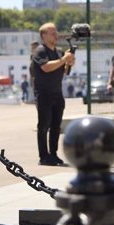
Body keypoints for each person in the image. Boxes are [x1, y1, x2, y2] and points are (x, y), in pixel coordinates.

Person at [32, 22, 75, 166]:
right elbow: (46, 67)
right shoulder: (40, 51)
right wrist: (64, 59)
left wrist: (69, 62)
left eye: (56, 32)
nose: (56, 35)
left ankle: (53, 154)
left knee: (56, 126)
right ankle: (43, 156)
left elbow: (65, 71)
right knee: (43, 125)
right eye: (52, 33)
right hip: (44, 94)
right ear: (44, 36)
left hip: (57, 93)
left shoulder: (59, 52)